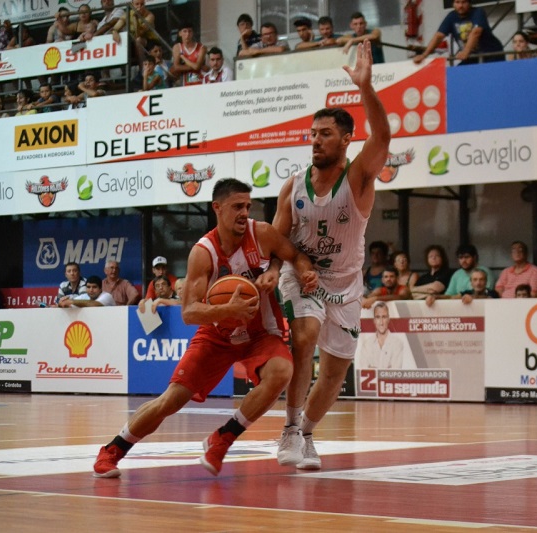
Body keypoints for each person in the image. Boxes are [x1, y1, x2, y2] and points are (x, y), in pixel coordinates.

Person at [93, 178, 318, 478]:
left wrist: (300, 272)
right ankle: (113, 449)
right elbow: (189, 312)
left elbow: (296, 255)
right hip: (217, 334)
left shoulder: (262, 233)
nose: (244, 212)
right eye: (237, 206)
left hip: (260, 332)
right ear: (217, 208)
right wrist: (228, 310)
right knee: (171, 400)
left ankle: (223, 438)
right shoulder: (203, 252)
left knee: (282, 371)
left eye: (247, 206)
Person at [270, 42, 391, 470]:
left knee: (336, 373)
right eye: (313, 134)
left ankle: (305, 433)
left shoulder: (358, 179)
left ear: (346, 138)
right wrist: (275, 270)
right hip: (302, 277)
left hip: (345, 285)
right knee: (304, 339)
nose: (316, 141)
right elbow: (277, 239)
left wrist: (365, 88)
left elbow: (383, 137)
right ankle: (288, 429)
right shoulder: (293, 185)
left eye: (325, 134)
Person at [413, 0, 504, 65]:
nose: (460, 6)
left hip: (492, 55)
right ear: (453, 3)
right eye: (457, 2)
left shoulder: (478, 12)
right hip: (472, 57)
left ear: (469, 3)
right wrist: (424, 55)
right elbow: (439, 36)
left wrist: (466, 51)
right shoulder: (451, 16)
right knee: (457, 75)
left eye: (463, 2)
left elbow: (476, 32)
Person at [355, 302, 404, 369]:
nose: (381, 322)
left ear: (388, 319)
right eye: (378, 317)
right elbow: (364, 370)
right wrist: (387, 369)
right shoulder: (367, 344)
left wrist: (373, 368)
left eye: (384, 317)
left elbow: (395, 371)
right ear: (374, 320)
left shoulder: (397, 343)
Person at [171, 21, 206, 87]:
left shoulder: (201, 47)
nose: (187, 34)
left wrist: (183, 59)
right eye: (185, 31)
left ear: (192, 33)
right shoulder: (177, 47)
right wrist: (196, 66)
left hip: (200, 82)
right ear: (180, 33)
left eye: (190, 31)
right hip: (186, 83)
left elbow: (197, 67)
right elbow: (176, 67)